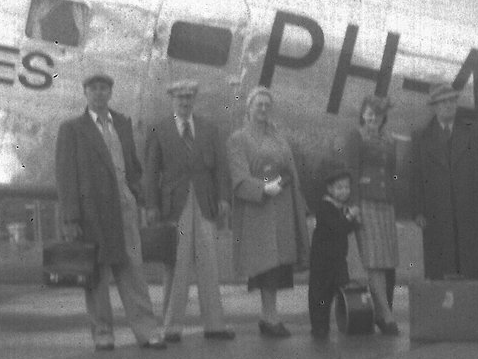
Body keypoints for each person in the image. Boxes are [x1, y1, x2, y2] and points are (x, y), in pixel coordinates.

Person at [55, 72, 166, 351]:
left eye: (104, 88)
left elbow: (133, 166)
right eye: (93, 88)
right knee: (96, 276)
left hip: (124, 208)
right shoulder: (72, 129)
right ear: (85, 93)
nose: (99, 93)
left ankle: (147, 331)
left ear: (110, 92)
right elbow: (66, 177)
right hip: (92, 213)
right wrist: (71, 218)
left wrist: (137, 195)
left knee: (133, 271)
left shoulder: (122, 124)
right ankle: (103, 334)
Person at [143, 80, 235, 342]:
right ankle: (171, 327)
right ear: (172, 100)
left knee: (209, 263)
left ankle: (215, 325)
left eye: (189, 98)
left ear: (194, 100)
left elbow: (222, 168)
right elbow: (151, 173)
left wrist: (223, 198)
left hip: (205, 202)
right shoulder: (160, 130)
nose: (184, 102)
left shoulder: (209, 129)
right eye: (180, 98)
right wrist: (151, 206)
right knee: (177, 264)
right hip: (174, 205)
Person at [228, 86, 310, 338]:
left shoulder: (278, 136)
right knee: (266, 264)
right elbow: (238, 176)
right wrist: (263, 188)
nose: (263, 109)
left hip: (282, 208)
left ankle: (269, 316)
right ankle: (269, 317)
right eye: (258, 104)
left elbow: (289, 168)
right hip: (259, 211)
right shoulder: (238, 139)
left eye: (267, 105)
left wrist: (295, 197)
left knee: (278, 265)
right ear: (249, 107)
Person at [409, 83, 478, 280]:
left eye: (452, 100)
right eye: (443, 102)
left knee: (473, 267)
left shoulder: (475, 132)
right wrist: (418, 211)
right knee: (441, 268)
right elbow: (416, 176)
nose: (448, 105)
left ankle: (474, 299)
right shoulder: (421, 136)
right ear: (434, 106)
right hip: (436, 212)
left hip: (469, 211)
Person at [341, 95, 401, 335]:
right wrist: (353, 203)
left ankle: (381, 311)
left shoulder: (389, 139)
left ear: (384, 116)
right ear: (362, 114)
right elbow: (351, 171)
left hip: (385, 204)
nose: (372, 117)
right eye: (369, 112)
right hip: (365, 202)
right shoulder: (356, 136)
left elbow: (392, 172)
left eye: (377, 113)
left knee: (386, 259)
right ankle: (386, 314)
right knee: (374, 260)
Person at [307, 167, 359, 339]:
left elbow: (347, 228)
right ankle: (319, 327)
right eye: (339, 188)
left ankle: (349, 320)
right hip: (322, 260)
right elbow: (338, 227)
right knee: (321, 294)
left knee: (343, 289)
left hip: (338, 259)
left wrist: (355, 221)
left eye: (347, 187)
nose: (344, 191)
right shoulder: (325, 206)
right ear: (330, 189)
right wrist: (350, 217)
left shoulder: (342, 207)